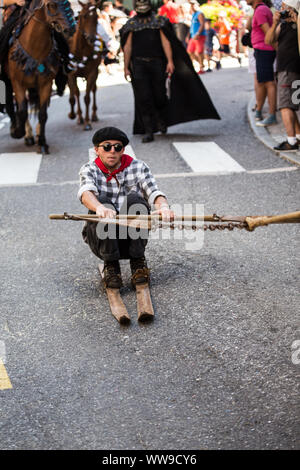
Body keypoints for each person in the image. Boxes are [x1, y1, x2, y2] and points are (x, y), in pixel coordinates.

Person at [78, 126, 174, 288]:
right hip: (102, 238)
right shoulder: (89, 169)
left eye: (117, 147)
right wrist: (100, 207)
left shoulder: (138, 167)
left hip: (132, 237)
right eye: (107, 147)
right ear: (96, 150)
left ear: (123, 150)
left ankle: (138, 262)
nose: (112, 151)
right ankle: (111, 265)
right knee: (101, 200)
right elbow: (86, 192)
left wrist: (164, 207)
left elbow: (154, 192)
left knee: (136, 199)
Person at [120, 0, 220, 143]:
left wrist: (170, 61)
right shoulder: (130, 25)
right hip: (139, 64)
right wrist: (126, 67)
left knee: (160, 95)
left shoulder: (159, 21)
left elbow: (166, 42)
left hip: (157, 63)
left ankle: (161, 118)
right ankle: (149, 131)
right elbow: (127, 46)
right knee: (143, 97)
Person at [265, 0, 300, 151]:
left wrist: (297, 19)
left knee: (285, 105)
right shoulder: (283, 24)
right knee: (290, 105)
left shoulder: (296, 23)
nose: (282, 8)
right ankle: (297, 136)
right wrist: (274, 23)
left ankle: (291, 141)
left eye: (285, 5)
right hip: (286, 68)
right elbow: (268, 40)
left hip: (289, 69)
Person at [247, 0, 277, 127]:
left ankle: (271, 115)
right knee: (263, 82)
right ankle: (262, 112)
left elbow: (269, 34)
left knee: (269, 83)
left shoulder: (260, 10)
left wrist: (278, 50)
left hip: (264, 50)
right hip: (263, 50)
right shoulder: (260, 10)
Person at [186, 0, 206, 74]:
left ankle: (201, 68)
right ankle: (202, 64)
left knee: (199, 52)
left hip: (199, 35)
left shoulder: (200, 14)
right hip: (193, 36)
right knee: (190, 51)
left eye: (193, 5)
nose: (192, 6)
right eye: (191, 5)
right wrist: (188, 36)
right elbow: (191, 26)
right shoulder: (193, 14)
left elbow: (202, 24)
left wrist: (198, 33)